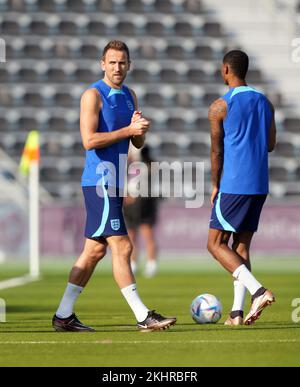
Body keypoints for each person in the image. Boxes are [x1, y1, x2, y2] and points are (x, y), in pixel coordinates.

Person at [52, 40, 176, 332]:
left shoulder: (130, 95)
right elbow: (89, 140)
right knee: (123, 245)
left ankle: (63, 315)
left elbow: (136, 142)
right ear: (102, 64)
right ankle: (143, 315)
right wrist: (128, 130)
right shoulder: (92, 95)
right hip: (100, 181)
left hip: (116, 182)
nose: (117, 67)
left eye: (122, 62)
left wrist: (140, 132)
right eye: (112, 62)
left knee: (94, 252)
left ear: (129, 65)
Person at [207, 50, 276, 326]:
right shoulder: (265, 102)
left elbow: (216, 152)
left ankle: (258, 291)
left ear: (226, 70)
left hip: (234, 184)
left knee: (215, 244)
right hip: (259, 184)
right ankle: (236, 313)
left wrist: (215, 184)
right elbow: (270, 144)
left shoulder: (219, 107)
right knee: (241, 246)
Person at [123, 145, 159, 278]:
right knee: (132, 235)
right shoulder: (129, 166)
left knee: (146, 233)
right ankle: (134, 263)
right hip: (133, 203)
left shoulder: (146, 164)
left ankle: (151, 264)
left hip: (143, 201)